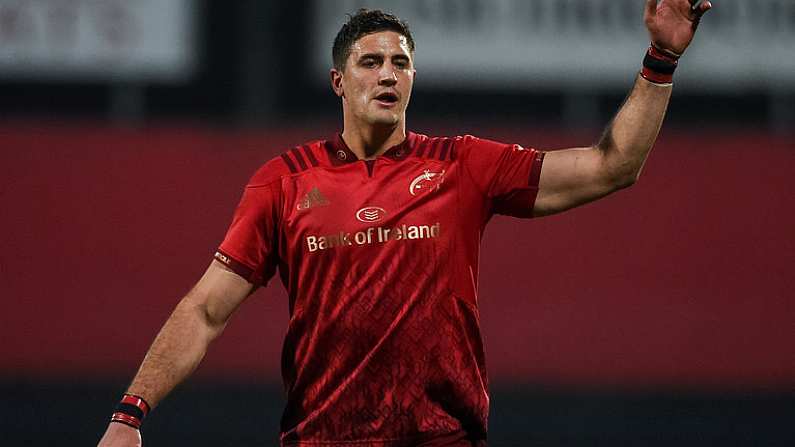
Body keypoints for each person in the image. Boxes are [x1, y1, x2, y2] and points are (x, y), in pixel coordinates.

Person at [98, 1, 711, 446]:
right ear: (339, 81)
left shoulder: (461, 164)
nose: (388, 74)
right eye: (370, 62)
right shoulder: (283, 183)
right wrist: (130, 412)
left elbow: (612, 166)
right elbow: (206, 310)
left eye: (400, 62)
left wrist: (662, 58)